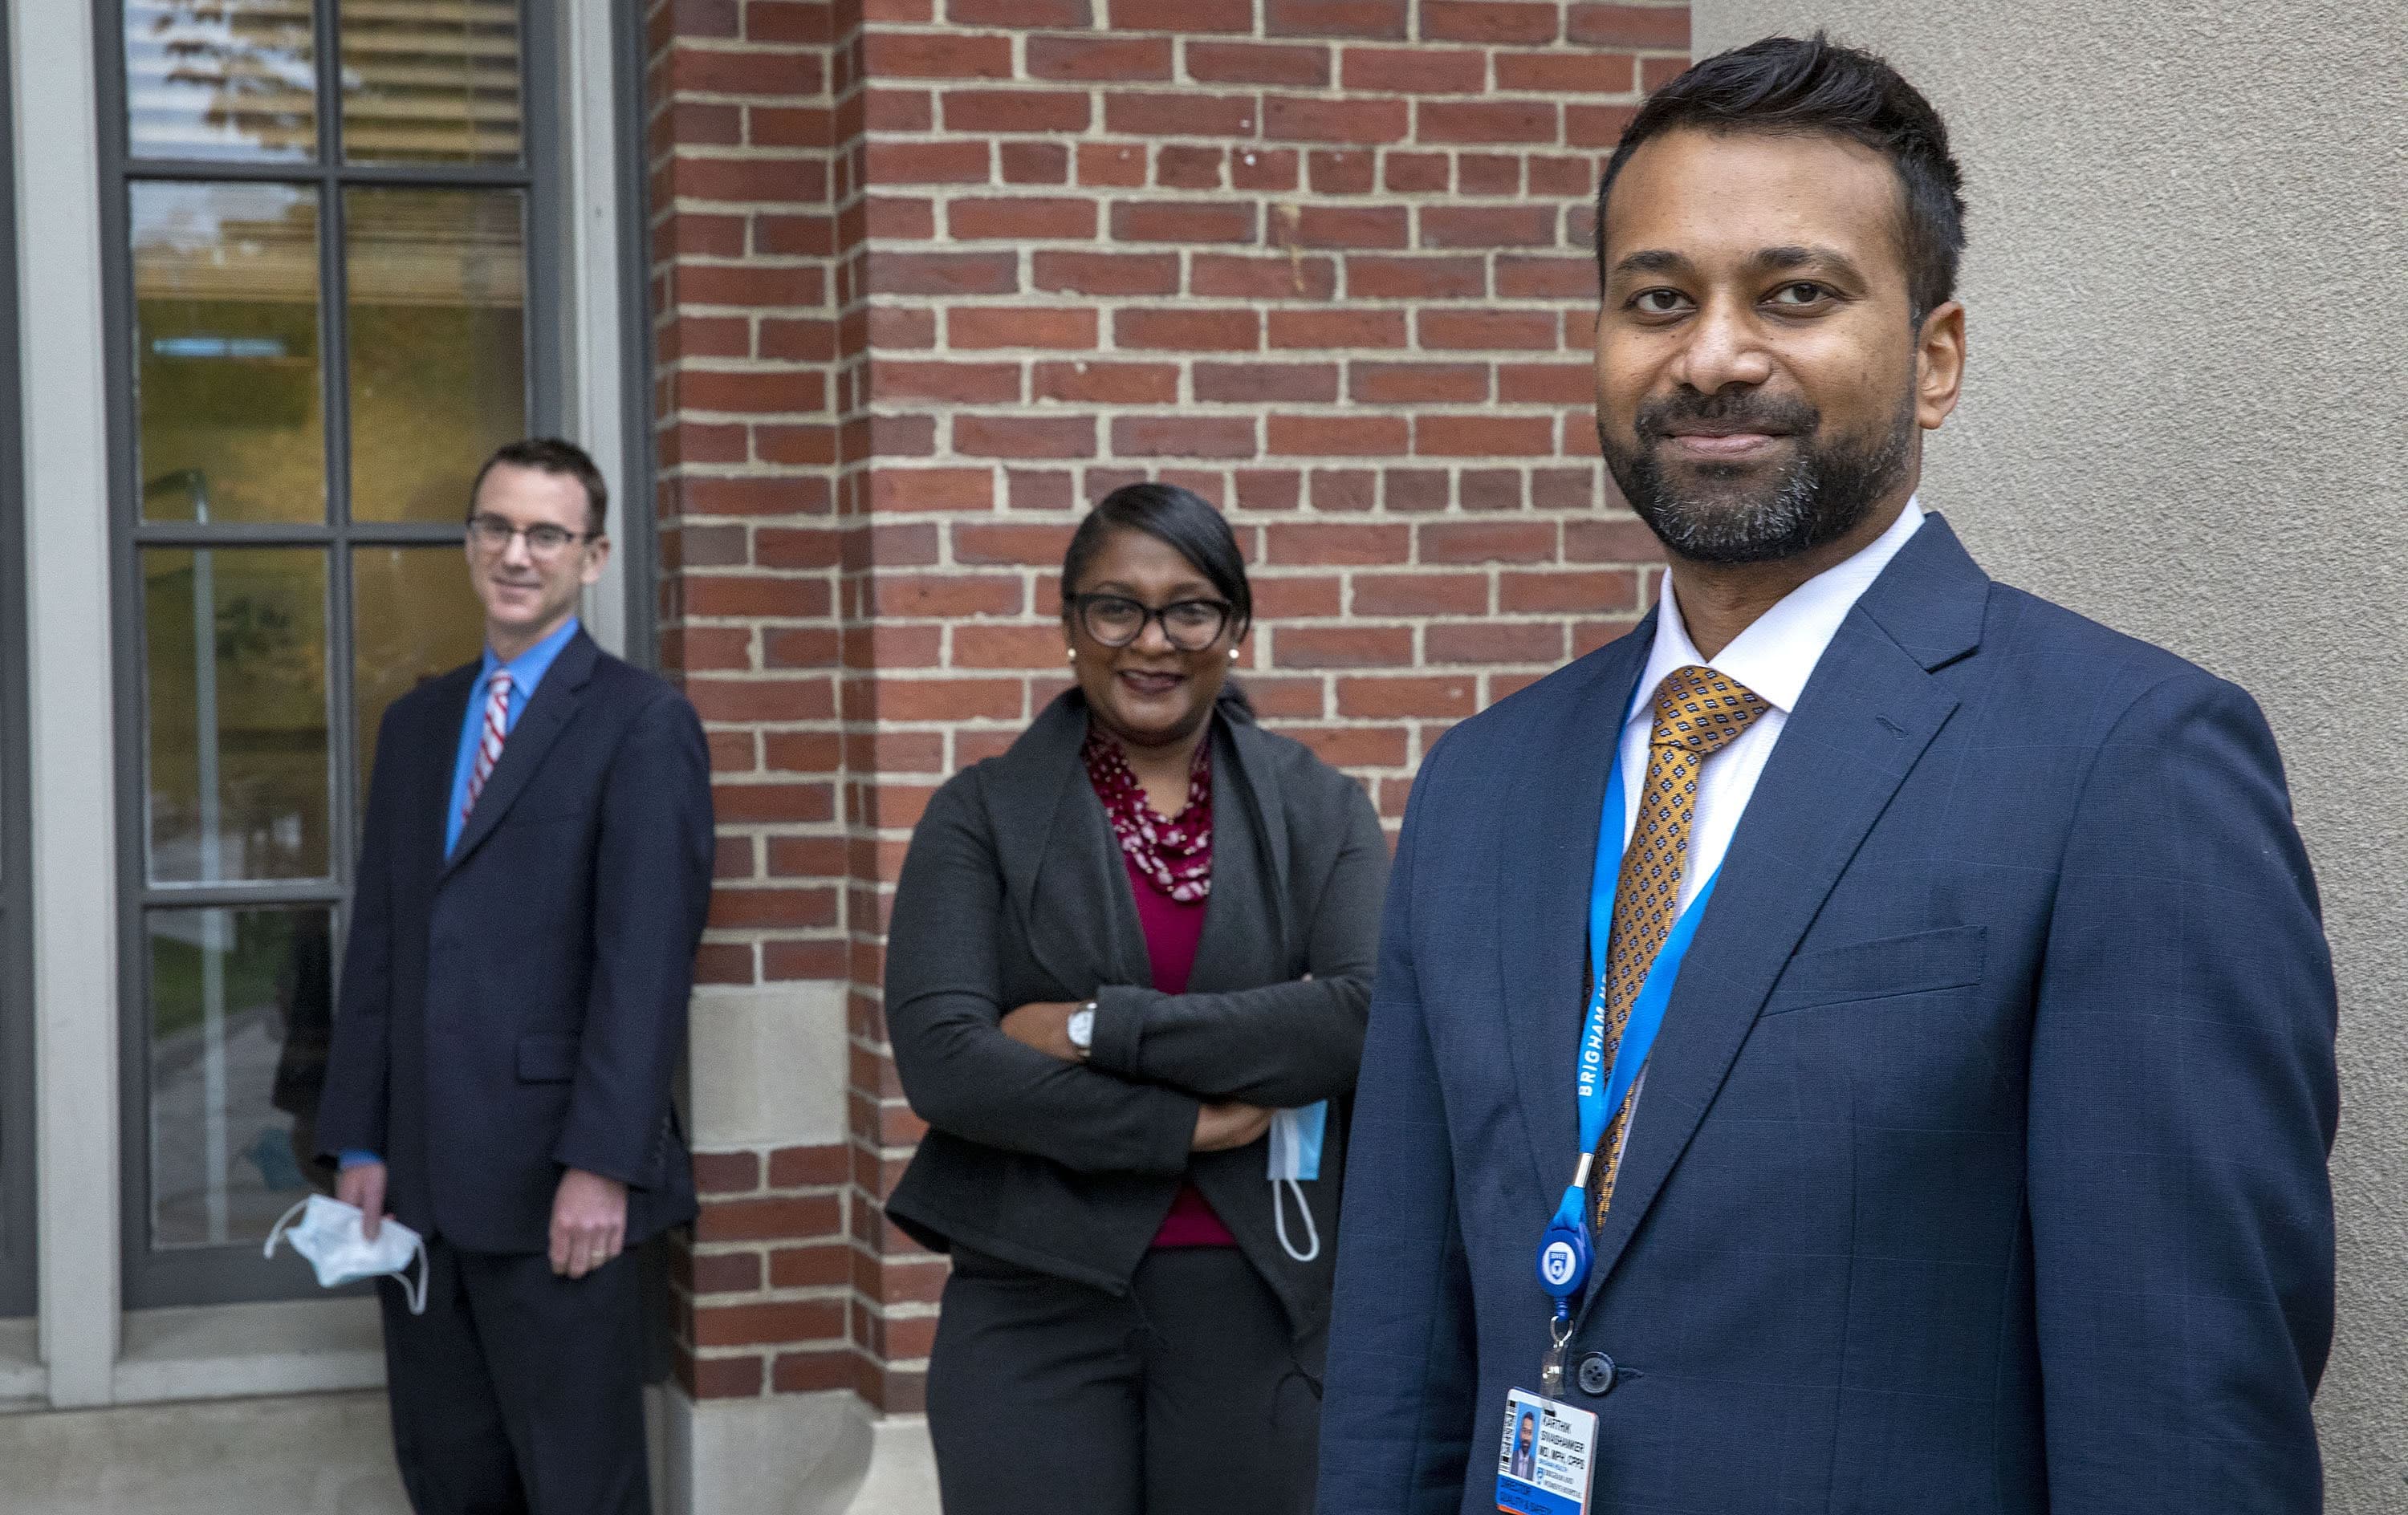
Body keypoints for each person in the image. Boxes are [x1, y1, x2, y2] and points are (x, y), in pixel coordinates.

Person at [1318, 35, 2337, 1515]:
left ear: (1936, 359)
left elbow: (2182, 1424)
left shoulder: (2129, 764)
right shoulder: (1481, 784)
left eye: (1795, 295)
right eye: (1656, 299)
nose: (1714, 354)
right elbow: (1400, 1360)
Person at [885, 481, 1390, 1515]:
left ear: (1235, 630)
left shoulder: (1317, 807)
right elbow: (947, 1060)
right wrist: (1186, 1125)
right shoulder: (979, 815)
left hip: (1258, 1295)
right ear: (1071, 626)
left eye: (1190, 608)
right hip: (1034, 1294)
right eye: (1116, 607)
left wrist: (1091, 1027)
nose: (1152, 641)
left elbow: (1361, 1016)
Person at [317, 437, 714, 1515]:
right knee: (448, 1477)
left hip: (555, 1190)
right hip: (416, 1193)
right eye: (496, 526)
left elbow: (645, 971)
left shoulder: (643, 724)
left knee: (578, 1483)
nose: (517, 552)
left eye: (547, 533)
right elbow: (384, 947)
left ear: (592, 557)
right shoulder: (416, 726)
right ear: (468, 545)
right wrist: (359, 1138)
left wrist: (602, 1167)